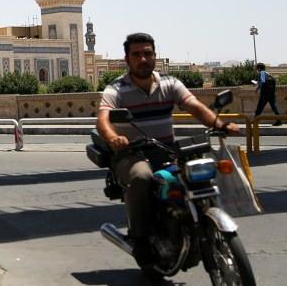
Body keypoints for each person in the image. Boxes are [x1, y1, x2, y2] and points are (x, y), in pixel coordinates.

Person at [96, 33, 239, 265]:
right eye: (136, 54)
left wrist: (219, 124)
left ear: (155, 56)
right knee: (142, 177)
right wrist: (114, 138)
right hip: (132, 154)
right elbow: (103, 119)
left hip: (167, 151)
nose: (143, 59)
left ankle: (195, 223)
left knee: (198, 174)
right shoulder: (116, 89)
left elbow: (194, 105)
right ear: (127, 59)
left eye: (147, 53)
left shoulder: (170, 83)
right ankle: (140, 239)